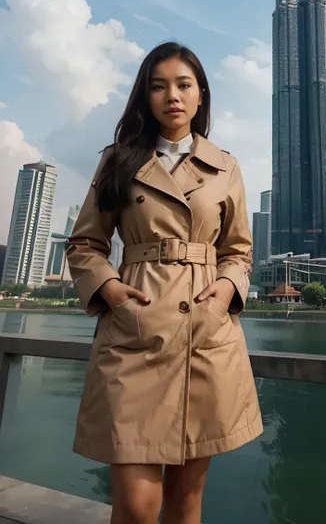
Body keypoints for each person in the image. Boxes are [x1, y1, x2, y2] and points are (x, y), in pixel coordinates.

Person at [66, 42, 263, 524]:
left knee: (185, 502)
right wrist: (111, 290)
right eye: (158, 86)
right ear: (145, 97)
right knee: (135, 505)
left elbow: (238, 250)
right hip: (134, 330)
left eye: (183, 85)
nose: (171, 96)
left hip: (205, 333)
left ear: (200, 97)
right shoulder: (119, 160)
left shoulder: (225, 165)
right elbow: (84, 244)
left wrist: (226, 290)